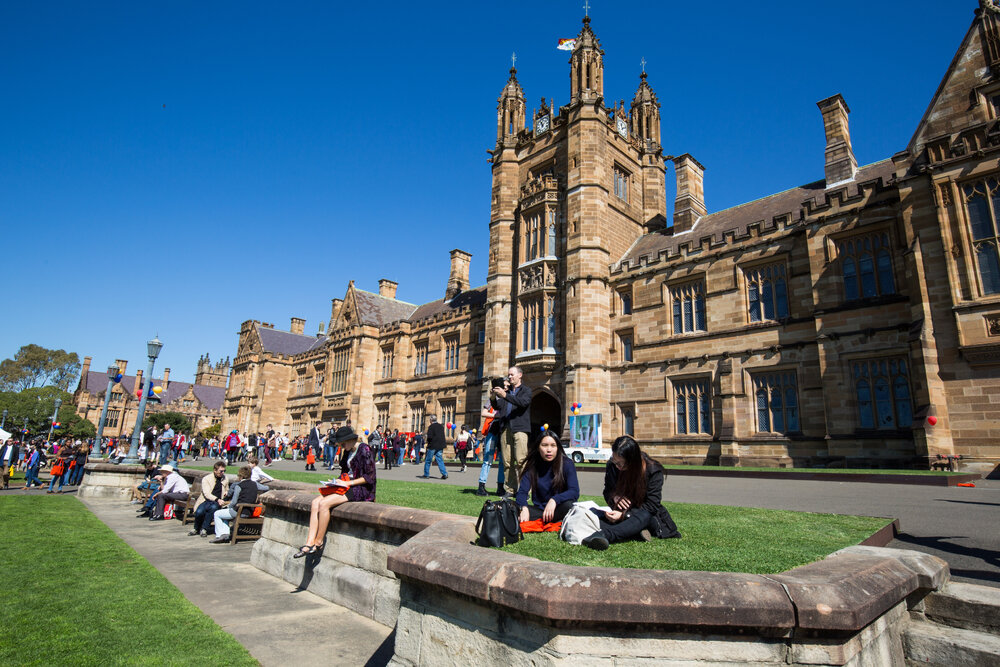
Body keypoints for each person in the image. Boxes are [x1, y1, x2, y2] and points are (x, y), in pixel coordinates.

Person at [581, 435, 682, 550]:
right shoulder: (612, 466)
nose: (618, 466)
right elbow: (607, 491)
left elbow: (652, 506)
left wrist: (624, 515)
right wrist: (614, 497)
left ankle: (605, 535)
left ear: (633, 461)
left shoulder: (653, 470)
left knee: (644, 516)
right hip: (621, 512)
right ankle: (635, 532)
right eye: (615, 461)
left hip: (646, 516)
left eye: (621, 464)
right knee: (594, 516)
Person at [294, 425, 376, 557]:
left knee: (324, 504)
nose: (341, 447)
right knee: (316, 502)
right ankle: (309, 543)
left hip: (361, 489)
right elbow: (345, 471)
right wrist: (335, 482)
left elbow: (370, 477)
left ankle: (318, 542)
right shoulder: (348, 451)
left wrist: (347, 482)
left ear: (350, 440)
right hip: (346, 485)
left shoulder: (365, 449)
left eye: (342, 444)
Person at [516, 429, 580, 523]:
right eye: (544, 445)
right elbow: (522, 492)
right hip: (540, 511)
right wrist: (523, 507)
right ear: (538, 447)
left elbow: (574, 491)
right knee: (510, 507)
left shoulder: (567, 463)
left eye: (553, 445)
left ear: (558, 447)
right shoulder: (532, 465)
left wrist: (554, 500)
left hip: (559, 508)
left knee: (569, 506)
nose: (549, 450)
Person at [491, 366, 532, 496]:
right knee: (507, 461)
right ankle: (510, 489)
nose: (509, 377)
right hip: (505, 429)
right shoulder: (507, 392)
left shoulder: (526, 390)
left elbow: (522, 403)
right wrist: (493, 397)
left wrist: (505, 395)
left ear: (520, 375)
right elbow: (498, 406)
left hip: (520, 428)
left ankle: (525, 490)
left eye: (512, 374)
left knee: (521, 461)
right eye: (508, 375)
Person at [210, 465, 261, 544]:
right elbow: (266, 488)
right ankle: (225, 534)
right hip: (249, 512)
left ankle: (220, 535)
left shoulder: (239, 486)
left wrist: (229, 507)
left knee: (217, 514)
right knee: (224, 515)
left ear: (240, 476)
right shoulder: (255, 484)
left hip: (239, 512)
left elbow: (233, 502)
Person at [189, 461, 229, 537]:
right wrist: (217, 499)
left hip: (218, 502)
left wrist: (226, 492)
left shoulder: (225, 478)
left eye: (224, 471)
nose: (223, 473)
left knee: (213, 508)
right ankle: (196, 528)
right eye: (221, 471)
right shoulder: (206, 479)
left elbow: (227, 488)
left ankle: (204, 529)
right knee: (199, 512)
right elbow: (207, 494)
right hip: (206, 500)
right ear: (215, 470)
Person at [475, 404, 505, 496]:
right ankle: (481, 486)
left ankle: (500, 488)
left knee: (503, 461)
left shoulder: (509, 395)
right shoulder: (494, 398)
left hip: (504, 429)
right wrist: (497, 415)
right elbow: (484, 412)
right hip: (494, 429)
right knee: (488, 459)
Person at [418, 415, 448, 480]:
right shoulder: (441, 426)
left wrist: (428, 443)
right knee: (440, 460)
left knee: (428, 460)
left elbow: (430, 437)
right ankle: (444, 474)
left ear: (431, 420)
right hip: (440, 445)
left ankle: (426, 474)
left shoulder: (431, 427)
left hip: (433, 445)